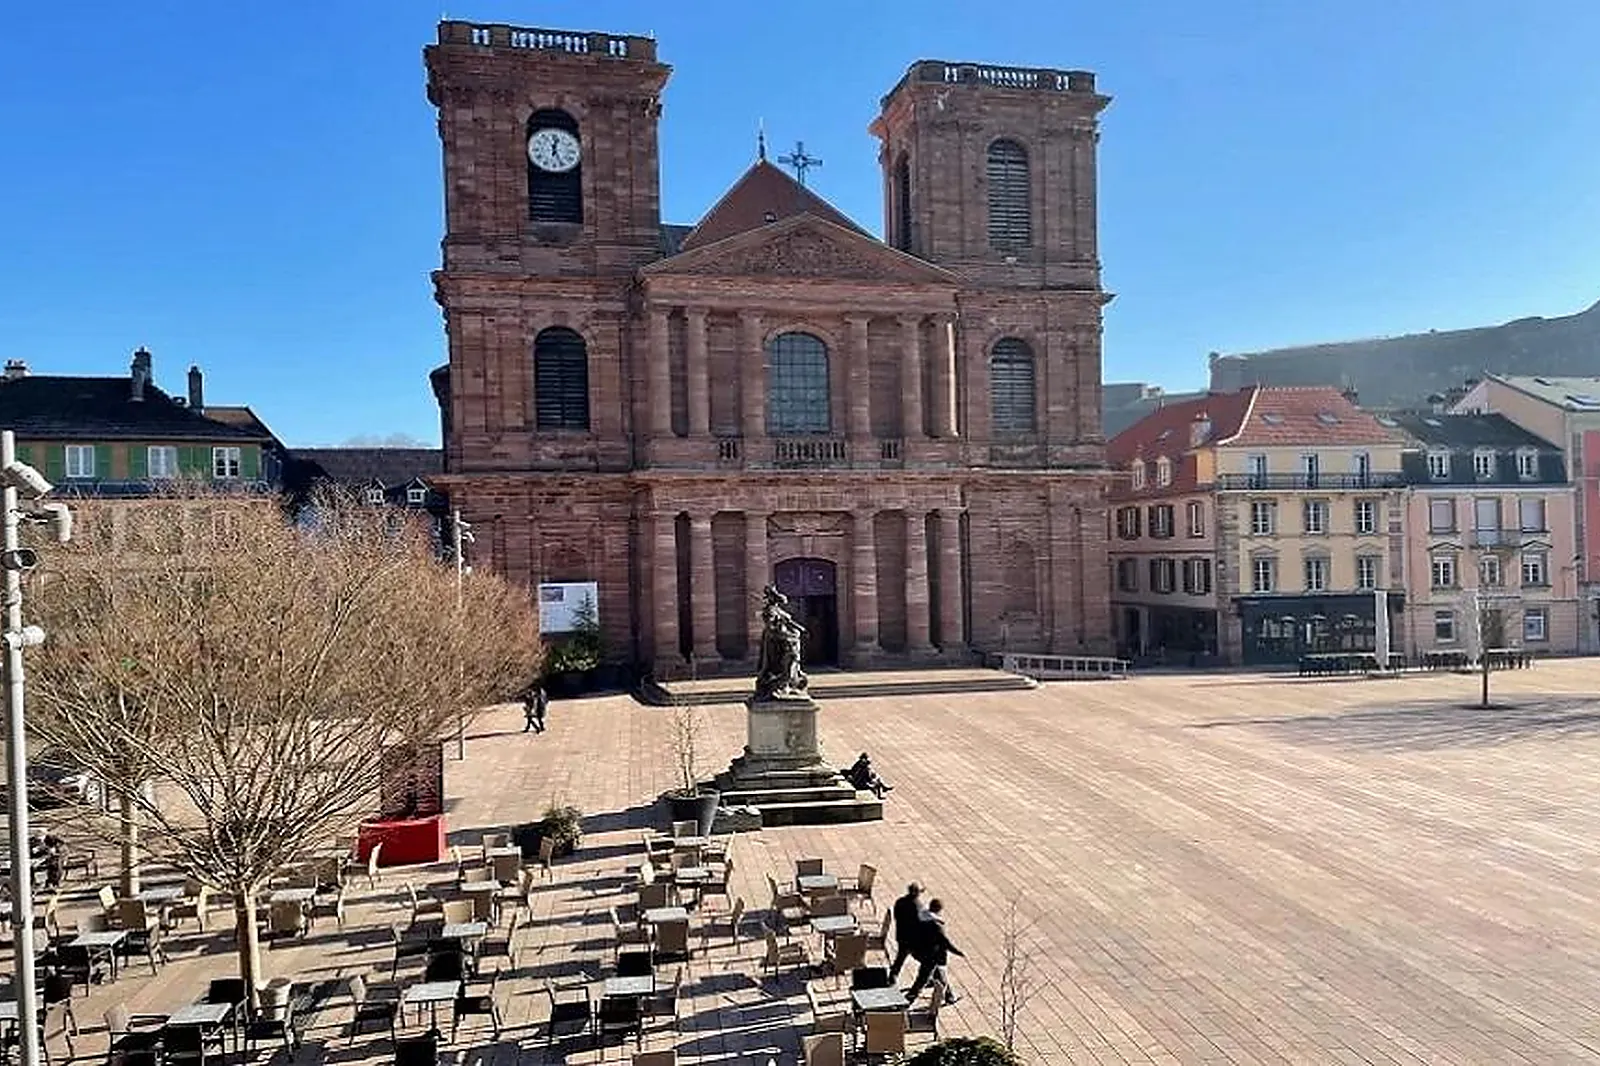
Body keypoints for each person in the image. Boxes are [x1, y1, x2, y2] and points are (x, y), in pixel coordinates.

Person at [904, 897, 963, 1005]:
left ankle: (949, 995)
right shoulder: (936, 925)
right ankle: (910, 996)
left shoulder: (920, 917)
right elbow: (944, 942)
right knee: (923, 977)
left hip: (919, 952)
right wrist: (958, 952)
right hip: (931, 955)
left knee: (937, 973)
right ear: (939, 910)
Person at [887, 882, 926, 982]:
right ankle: (930, 978)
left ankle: (893, 976)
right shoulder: (918, 906)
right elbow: (921, 923)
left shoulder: (900, 902)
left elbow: (896, 916)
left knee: (901, 957)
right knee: (926, 960)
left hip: (901, 935)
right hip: (913, 939)